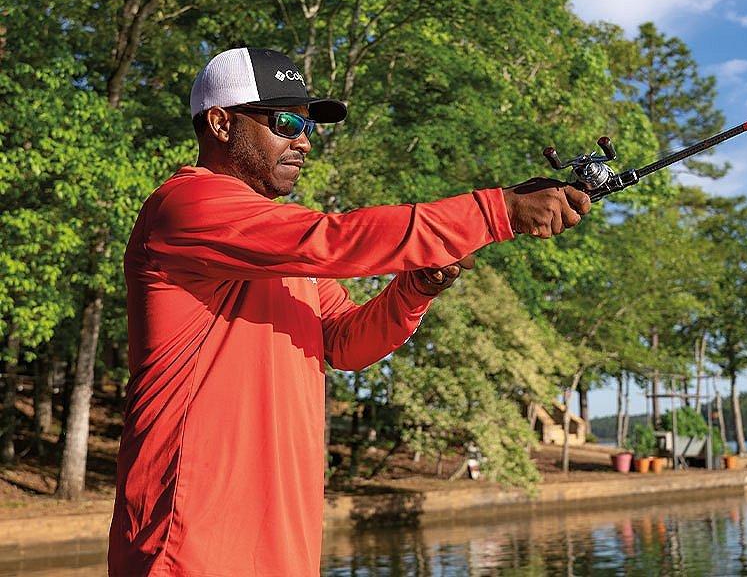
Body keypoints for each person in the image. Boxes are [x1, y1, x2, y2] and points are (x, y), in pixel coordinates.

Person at [108, 47, 591, 576]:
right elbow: (334, 240)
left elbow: (344, 342)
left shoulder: (277, 241)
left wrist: (411, 291)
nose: (304, 140)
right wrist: (498, 211)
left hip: (281, 545)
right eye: (287, 121)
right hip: (188, 546)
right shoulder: (185, 205)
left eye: (310, 125)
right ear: (221, 124)